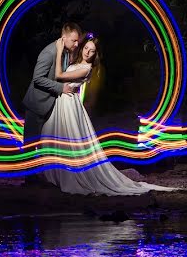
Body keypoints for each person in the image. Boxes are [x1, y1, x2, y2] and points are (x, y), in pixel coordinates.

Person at [40, 34, 179, 195]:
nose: (87, 53)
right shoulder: (76, 62)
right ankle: (53, 176)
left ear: (95, 54)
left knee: (69, 141)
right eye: (86, 48)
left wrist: (58, 51)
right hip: (62, 102)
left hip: (70, 104)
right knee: (50, 135)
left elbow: (59, 76)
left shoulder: (87, 69)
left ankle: (67, 176)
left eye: (91, 51)